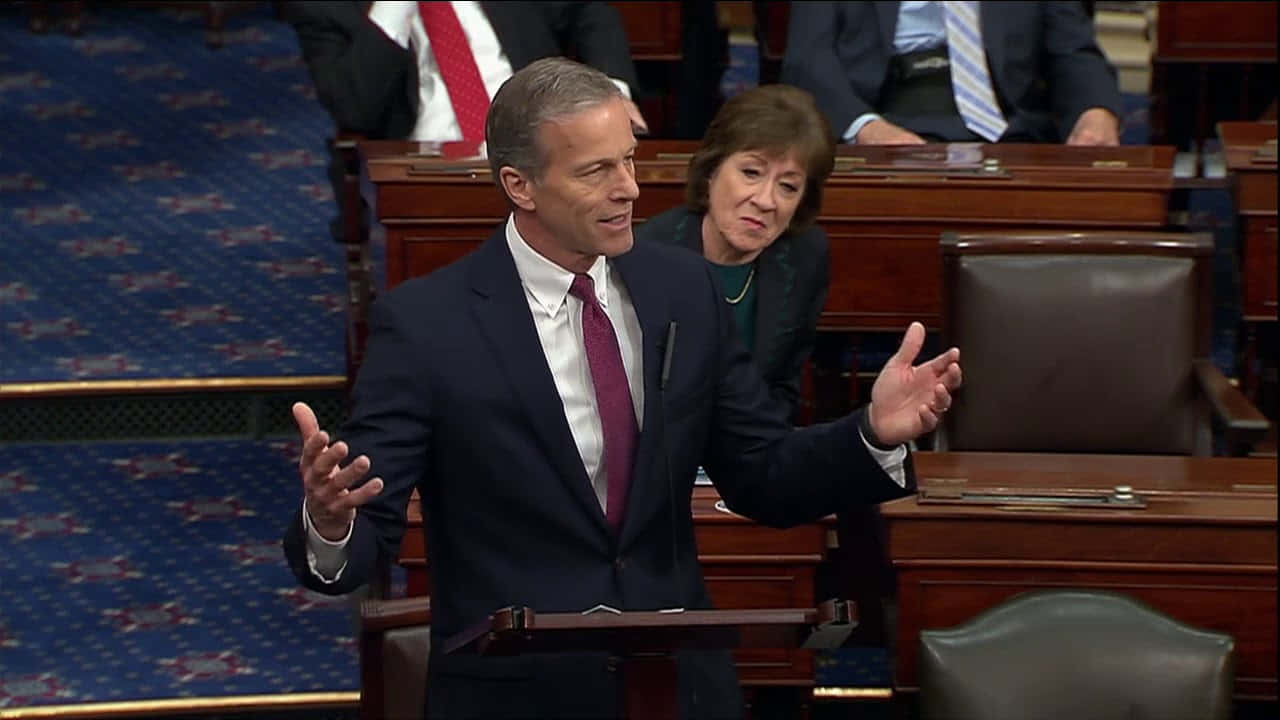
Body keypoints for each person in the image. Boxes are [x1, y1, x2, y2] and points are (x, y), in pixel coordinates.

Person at [282, 57, 962, 719]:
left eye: (629, 160)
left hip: (679, 686)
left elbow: (762, 473)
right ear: (521, 186)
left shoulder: (683, 291)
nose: (630, 189)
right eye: (596, 171)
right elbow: (364, 527)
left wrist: (871, 432)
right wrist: (332, 524)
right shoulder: (427, 326)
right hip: (519, 692)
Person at [284, 1, 646, 240]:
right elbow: (354, 107)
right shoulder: (324, 6)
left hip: (545, 144)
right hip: (425, 172)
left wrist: (613, 94)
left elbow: (590, 10)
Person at [635, 84, 834, 421]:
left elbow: (783, 387)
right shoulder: (647, 255)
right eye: (751, 173)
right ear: (712, 170)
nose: (765, 200)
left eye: (787, 186)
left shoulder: (805, 257)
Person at [780, 1, 1123, 145]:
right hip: (882, 120)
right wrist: (865, 128)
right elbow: (808, 59)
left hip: (1009, 133)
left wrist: (1094, 112)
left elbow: (1073, 51)